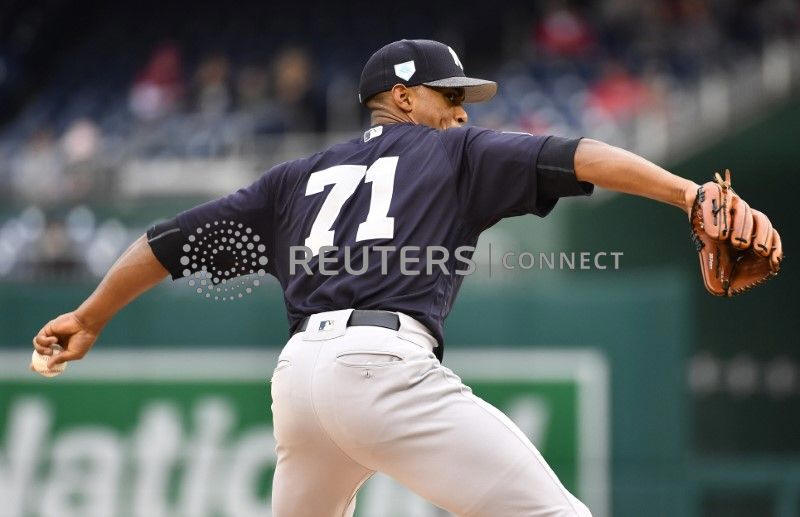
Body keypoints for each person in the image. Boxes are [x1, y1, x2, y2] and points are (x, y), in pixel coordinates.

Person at [31, 39, 782, 516]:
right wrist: (690, 194)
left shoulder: (292, 177)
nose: (461, 113)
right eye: (449, 96)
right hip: (381, 367)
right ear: (401, 97)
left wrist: (90, 316)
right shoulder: (455, 153)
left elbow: (167, 242)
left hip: (298, 384)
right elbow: (576, 154)